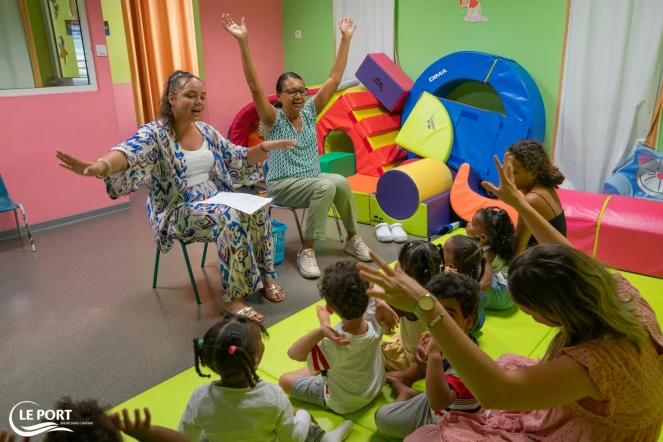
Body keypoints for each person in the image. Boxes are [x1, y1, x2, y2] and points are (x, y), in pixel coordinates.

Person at [359, 154, 663, 442]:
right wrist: (518, 202)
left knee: (420, 436)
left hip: (594, 432)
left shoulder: (593, 363)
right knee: (504, 364)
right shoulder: (615, 292)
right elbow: (568, 255)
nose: (531, 319)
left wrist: (424, 303)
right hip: (601, 409)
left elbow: (498, 394)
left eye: (530, 314)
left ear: (555, 312)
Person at [56, 70, 296, 323]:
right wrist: (100, 166)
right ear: (171, 98)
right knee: (231, 218)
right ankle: (233, 299)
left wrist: (266, 147)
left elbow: (238, 156)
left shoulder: (206, 131)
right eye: (190, 96)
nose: (198, 102)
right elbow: (129, 153)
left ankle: (267, 277)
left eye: (202, 97)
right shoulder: (155, 134)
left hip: (214, 199)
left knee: (257, 210)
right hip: (177, 209)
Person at [223, 14, 372, 279]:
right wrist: (243, 43)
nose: (299, 95)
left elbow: (334, 79)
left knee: (341, 182)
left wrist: (346, 38)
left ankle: (351, 238)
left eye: (302, 90)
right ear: (279, 96)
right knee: (326, 185)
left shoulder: (309, 112)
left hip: (310, 179)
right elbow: (255, 89)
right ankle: (307, 249)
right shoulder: (272, 119)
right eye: (291, 91)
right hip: (282, 186)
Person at [180, 314, 353, 442]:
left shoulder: (199, 397)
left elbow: (185, 436)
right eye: (260, 340)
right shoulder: (272, 396)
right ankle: (325, 440)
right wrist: (303, 415)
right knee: (299, 423)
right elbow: (292, 438)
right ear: (254, 361)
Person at [279, 260, 396, 414]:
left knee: (284, 380)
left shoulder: (332, 344)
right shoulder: (377, 317)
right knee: (329, 361)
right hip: (375, 387)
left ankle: (316, 365)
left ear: (330, 308)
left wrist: (323, 328)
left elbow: (293, 353)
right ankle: (317, 365)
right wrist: (381, 302)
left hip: (344, 404)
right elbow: (374, 278)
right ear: (369, 297)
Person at [375, 273, 483, 440]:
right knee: (381, 415)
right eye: (432, 314)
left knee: (395, 429)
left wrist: (433, 355)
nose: (437, 322)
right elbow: (433, 371)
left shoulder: (467, 362)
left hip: (453, 423)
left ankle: (407, 394)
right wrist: (425, 353)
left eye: (449, 315)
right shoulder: (446, 337)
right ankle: (410, 394)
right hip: (432, 402)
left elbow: (439, 402)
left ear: (468, 322)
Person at [381, 240, 443, 373]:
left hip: (414, 357)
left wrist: (380, 302)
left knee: (371, 350)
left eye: (402, 270)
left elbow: (380, 303)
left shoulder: (409, 301)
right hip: (434, 348)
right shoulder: (444, 286)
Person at [507, 139, 566, 252]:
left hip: (546, 267)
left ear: (533, 173)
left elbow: (516, 251)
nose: (507, 176)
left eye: (514, 172)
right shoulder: (545, 188)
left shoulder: (532, 200)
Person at [465, 207, 515, 310]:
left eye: (473, 224)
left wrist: (471, 302)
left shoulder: (485, 254)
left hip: (500, 295)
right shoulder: (496, 247)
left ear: (483, 237)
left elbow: (486, 281)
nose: (468, 224)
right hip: (512, 295)